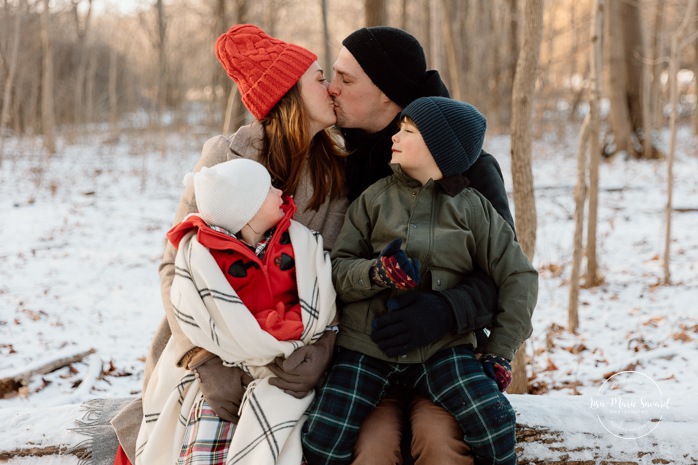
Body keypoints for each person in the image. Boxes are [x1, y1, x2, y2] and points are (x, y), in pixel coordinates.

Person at [110, 24, 348, 465]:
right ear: (289, 96)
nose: (331, 88)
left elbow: (331, 274)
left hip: (291, 349)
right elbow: (175, 265)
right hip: (206, 338)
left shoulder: (336, 174)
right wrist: (205, 359)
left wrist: (322, 350)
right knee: (195, 427)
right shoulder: (225, 157)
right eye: (318, 78)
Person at [302, 96, 538, 465]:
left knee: (494, 423)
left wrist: (500, 351)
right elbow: (337, 270)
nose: (395, 135)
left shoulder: (473, 209)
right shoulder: (374, 200)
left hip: (443, 350)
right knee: (323, 436)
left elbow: (518, 276)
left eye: (408, 130)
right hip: (368, 348)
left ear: (439, 148)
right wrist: (377, 273)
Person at [135, 158, 338, 465]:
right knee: (209, 427)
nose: (280, 191)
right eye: (269, 189)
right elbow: (198, 304)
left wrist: (309, 332)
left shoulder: (295, 242)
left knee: (284, 426)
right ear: (248, 212)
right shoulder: (206, 254)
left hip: (285, 362)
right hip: (226, 361)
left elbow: (317, 286)